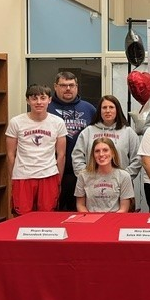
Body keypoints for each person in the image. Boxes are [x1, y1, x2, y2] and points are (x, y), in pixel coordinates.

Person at [6, 85, 67, 215]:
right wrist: (13, 177)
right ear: (28, 100)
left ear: (49, 100)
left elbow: (61, 155)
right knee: (21, 218)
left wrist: (58, 180)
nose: (39, 102)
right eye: (34, 98)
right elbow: (10, 155)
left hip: (49, 175)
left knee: (47, 217)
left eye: (43, 98)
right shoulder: (16, 122)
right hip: (23, 176)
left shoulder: (58, 122)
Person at [48, 71, 97, 211]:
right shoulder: (47, 108)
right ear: (55, 87)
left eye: (71, 85)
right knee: (54, 211)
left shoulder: (89, 109)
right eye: (63, 85)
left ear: (77, 87)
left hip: (83, 172)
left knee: (80, 212)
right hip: (53, 172)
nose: (68, 89)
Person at [72, 95, 141, 180]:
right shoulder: (88, 132)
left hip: (120, 184)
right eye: (104, 107)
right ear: (99, 111)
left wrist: (125, 177)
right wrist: (86, 178)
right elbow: (76, 157)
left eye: (111, 107)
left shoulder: (128, 132)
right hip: (92, 184)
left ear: (117, 110)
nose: (108, 111)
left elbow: (137, 159)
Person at [75, 137, 134, 213]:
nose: (101, 154)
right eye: (97, 151)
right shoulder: (83, 175)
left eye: (105, 150)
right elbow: (80, 205)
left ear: (113, 153)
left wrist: (108, 222)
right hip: (90, 220)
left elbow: (124, 209)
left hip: (114, 220)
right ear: (93, 155)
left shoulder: (124, 176)